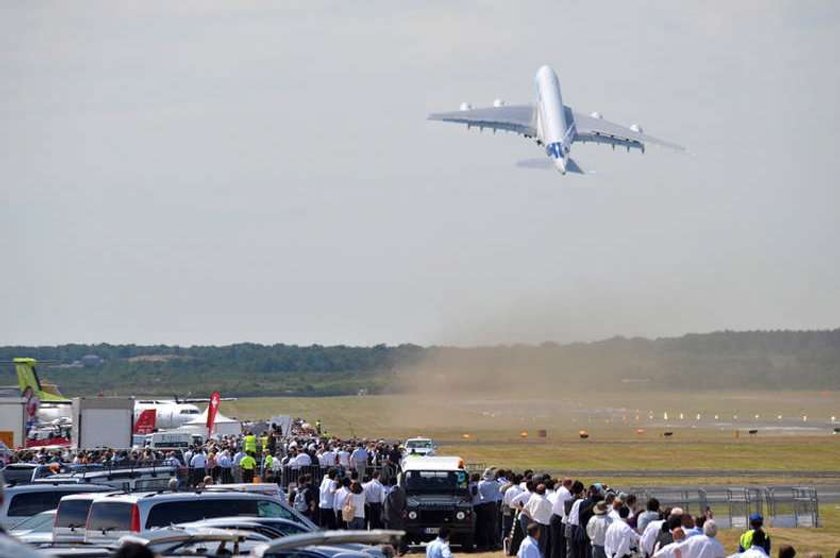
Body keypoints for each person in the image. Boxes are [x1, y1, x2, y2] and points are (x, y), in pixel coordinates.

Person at [383, 477, 408, 555]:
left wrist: (400, 512)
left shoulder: (392, 492)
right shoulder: (402, 491)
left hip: (391, 518)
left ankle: (401, 548)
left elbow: (394, 506)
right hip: (399, 517)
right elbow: (405, 503)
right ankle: (399, 549)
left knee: (392, 535)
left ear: (390, 483)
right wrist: (404, 511)